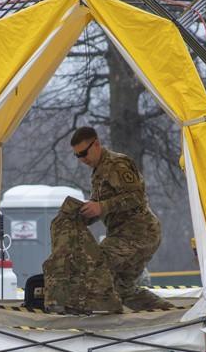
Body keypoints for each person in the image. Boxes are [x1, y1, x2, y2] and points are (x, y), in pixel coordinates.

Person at [69, 126, 173, 311]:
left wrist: (101, 207)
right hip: (123, 234)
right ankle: (169, 313)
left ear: (97, 144)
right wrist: (82, 214)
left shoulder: (117, 164)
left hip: (138, 234)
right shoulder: (99, 172)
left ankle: (97, 317)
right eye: (77, 156)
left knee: (95, 262)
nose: (82, 159)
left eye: (84, 153)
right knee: (121, 289)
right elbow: (102, 205)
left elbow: (137, 197)